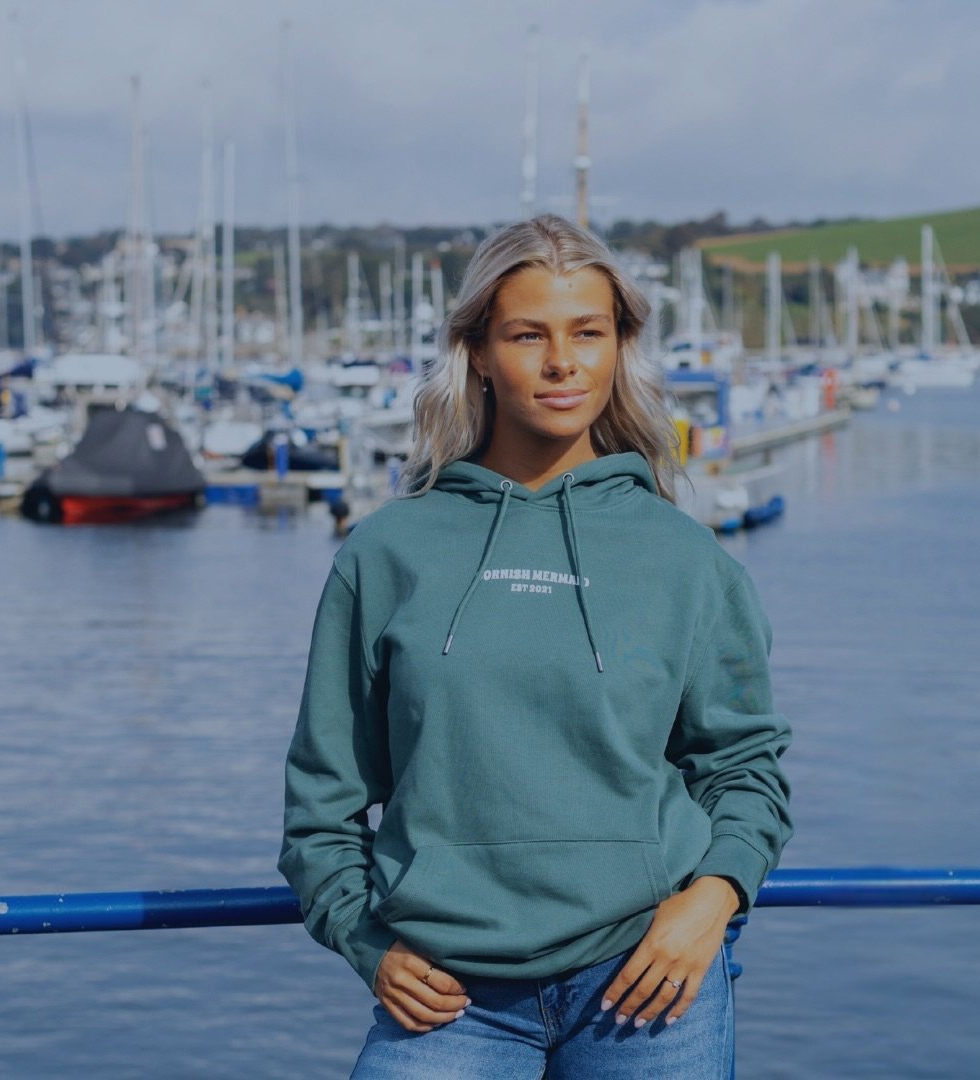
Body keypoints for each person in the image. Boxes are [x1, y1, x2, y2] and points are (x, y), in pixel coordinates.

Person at [278, 214, 794, 1078]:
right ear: (478, 350)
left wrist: (713, 898)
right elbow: (321, 803)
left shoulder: (685, 558)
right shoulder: (388, 553)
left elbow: (746, 768)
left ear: (619, 345)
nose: (563, 363)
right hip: (449, 995)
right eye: (529, 334)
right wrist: (369, 941)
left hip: (647, 980)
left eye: (588, 333)